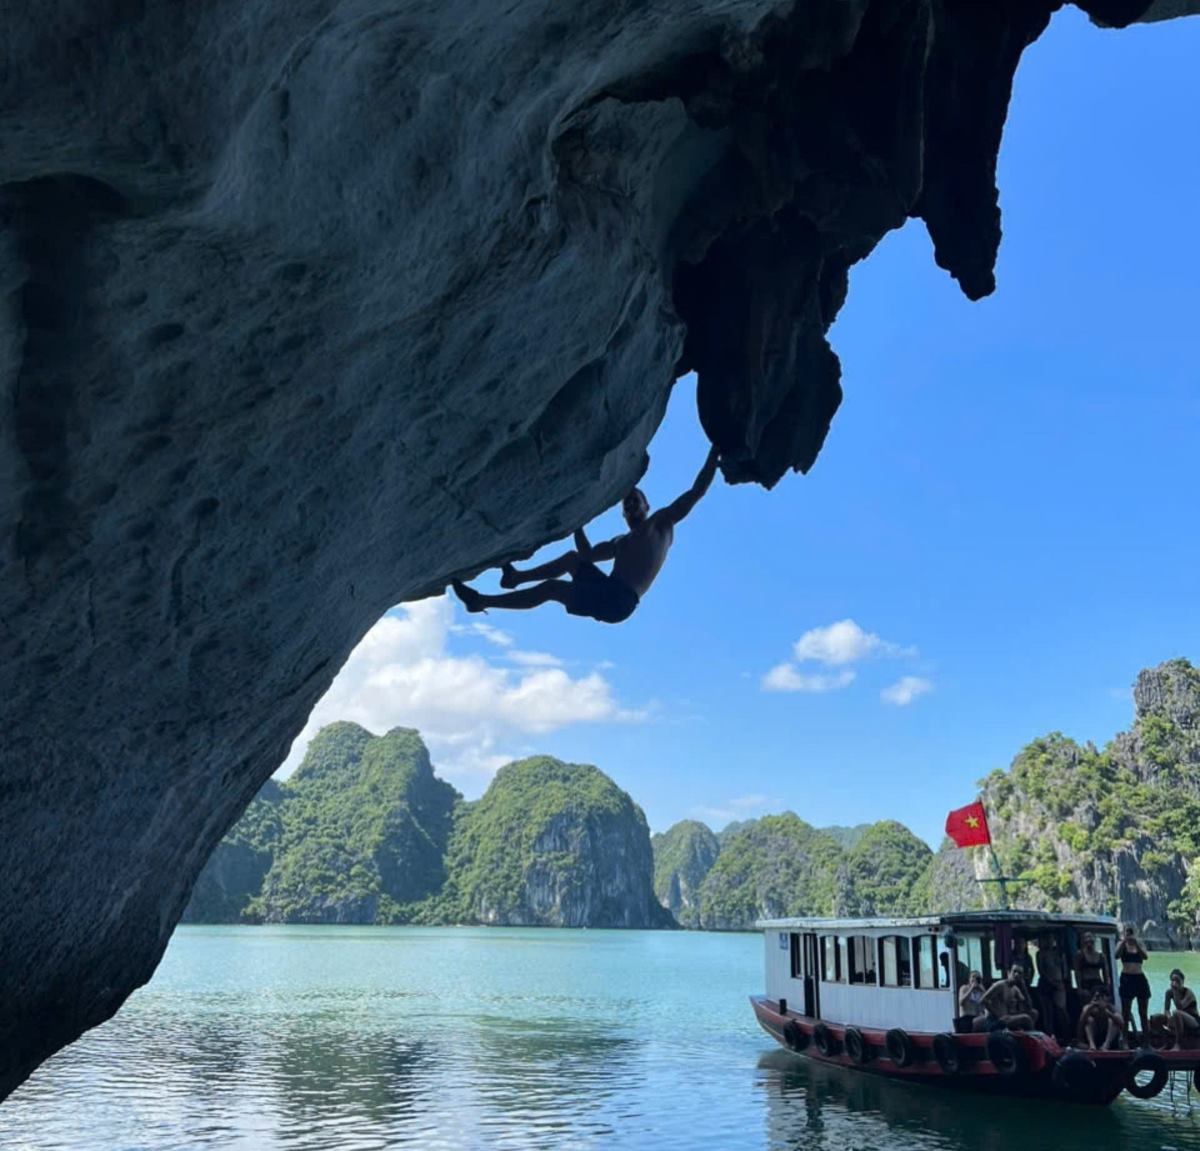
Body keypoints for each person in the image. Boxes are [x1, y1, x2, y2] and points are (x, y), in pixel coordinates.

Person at [452, 447, 720, 624]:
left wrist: (714, 454)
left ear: (647, 506)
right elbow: (587, 555)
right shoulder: (620, 542)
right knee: (572, 559)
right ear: (623, 516)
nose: (630, 505)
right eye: (626, 504)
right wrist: (577, 524)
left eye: (635, 500)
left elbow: (696, 491)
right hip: (607, 589)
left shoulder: (660, 524)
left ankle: (481, 601)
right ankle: (515, 577)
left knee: (552, 589)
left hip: (620, 601)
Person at [1115, 924, 1151, 1039]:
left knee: (1143, 1013)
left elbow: (1145, 957)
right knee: (1125, 1013)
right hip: (1126, 978)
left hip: (1139, 978)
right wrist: (1123, 941)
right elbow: (1116, 955)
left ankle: (1146, 1041)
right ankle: (1125, 1040)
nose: (1129, 934)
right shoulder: (1122, 945)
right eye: (1127, 932)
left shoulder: (1139, 944)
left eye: (1131, 932)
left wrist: (1136, 943)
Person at [1150, 969, 1200, 1050]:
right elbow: (1166, 1010)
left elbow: (1180, 1007)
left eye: (1177, 980)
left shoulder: (1188, 993)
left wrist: (1175, 992)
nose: (1175, 983)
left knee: (1176, 1013)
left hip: (1193, 1021)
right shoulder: (1169, 993)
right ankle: (1166, 1042)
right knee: (1155, 1018)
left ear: (1182, 982)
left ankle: (1178, 1044)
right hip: (1179, 1020)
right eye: (1173, 980)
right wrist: (1169, 1017)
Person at [978, 964, 1037, 1032]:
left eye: (1019, 973)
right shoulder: (1000, 985)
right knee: (1026, 1018)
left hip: (1007, 1017)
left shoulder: (1015, 989)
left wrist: (1024, 987)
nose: (1016, 974)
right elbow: (982, 1000)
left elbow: (1028, 1006)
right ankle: (1032, 1037)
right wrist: (997, 1014)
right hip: (995, 1019)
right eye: (1014, 971)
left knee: (1034, 1013)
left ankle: (1026, 1036)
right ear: (1008, 972)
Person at [1036, 935, 1070, 1042]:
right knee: (1048, 1012)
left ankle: (1066, 1037)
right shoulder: (1040, 954)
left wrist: (1061, 982)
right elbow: (1041, 971)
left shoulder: (1060, 954)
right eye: (1047, 939)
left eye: (1051, 939)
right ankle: (1049, 1037)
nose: (1049, 941)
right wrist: (1051, 982)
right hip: (1045, 985)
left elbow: (1065, 970)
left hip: (1059, 984)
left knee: (1061, 1011)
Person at [1073, 931, 1109, 997]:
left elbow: (1106, 973)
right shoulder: (1080, 955)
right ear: (1083, 941)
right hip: (1086, 984)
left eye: (1090, 937)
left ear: (1094, 939)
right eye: (1086, 937)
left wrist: (1107, 986)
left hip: (1098, 983)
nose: (1088, 939)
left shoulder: (1101, 956)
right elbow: (1077, 973)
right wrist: (1079, 989)